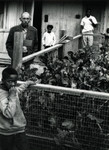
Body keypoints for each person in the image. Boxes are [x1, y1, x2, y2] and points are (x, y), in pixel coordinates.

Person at [0, 67, 35, 150]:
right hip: (6, 132)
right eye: (9, 81)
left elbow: (17, 90)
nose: (12, 84)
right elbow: (9, 114)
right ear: (3, 80)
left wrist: (27, 83)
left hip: (19, 129)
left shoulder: (12, 89)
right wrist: (12, 96)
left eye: (14, 81)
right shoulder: (1, 95)